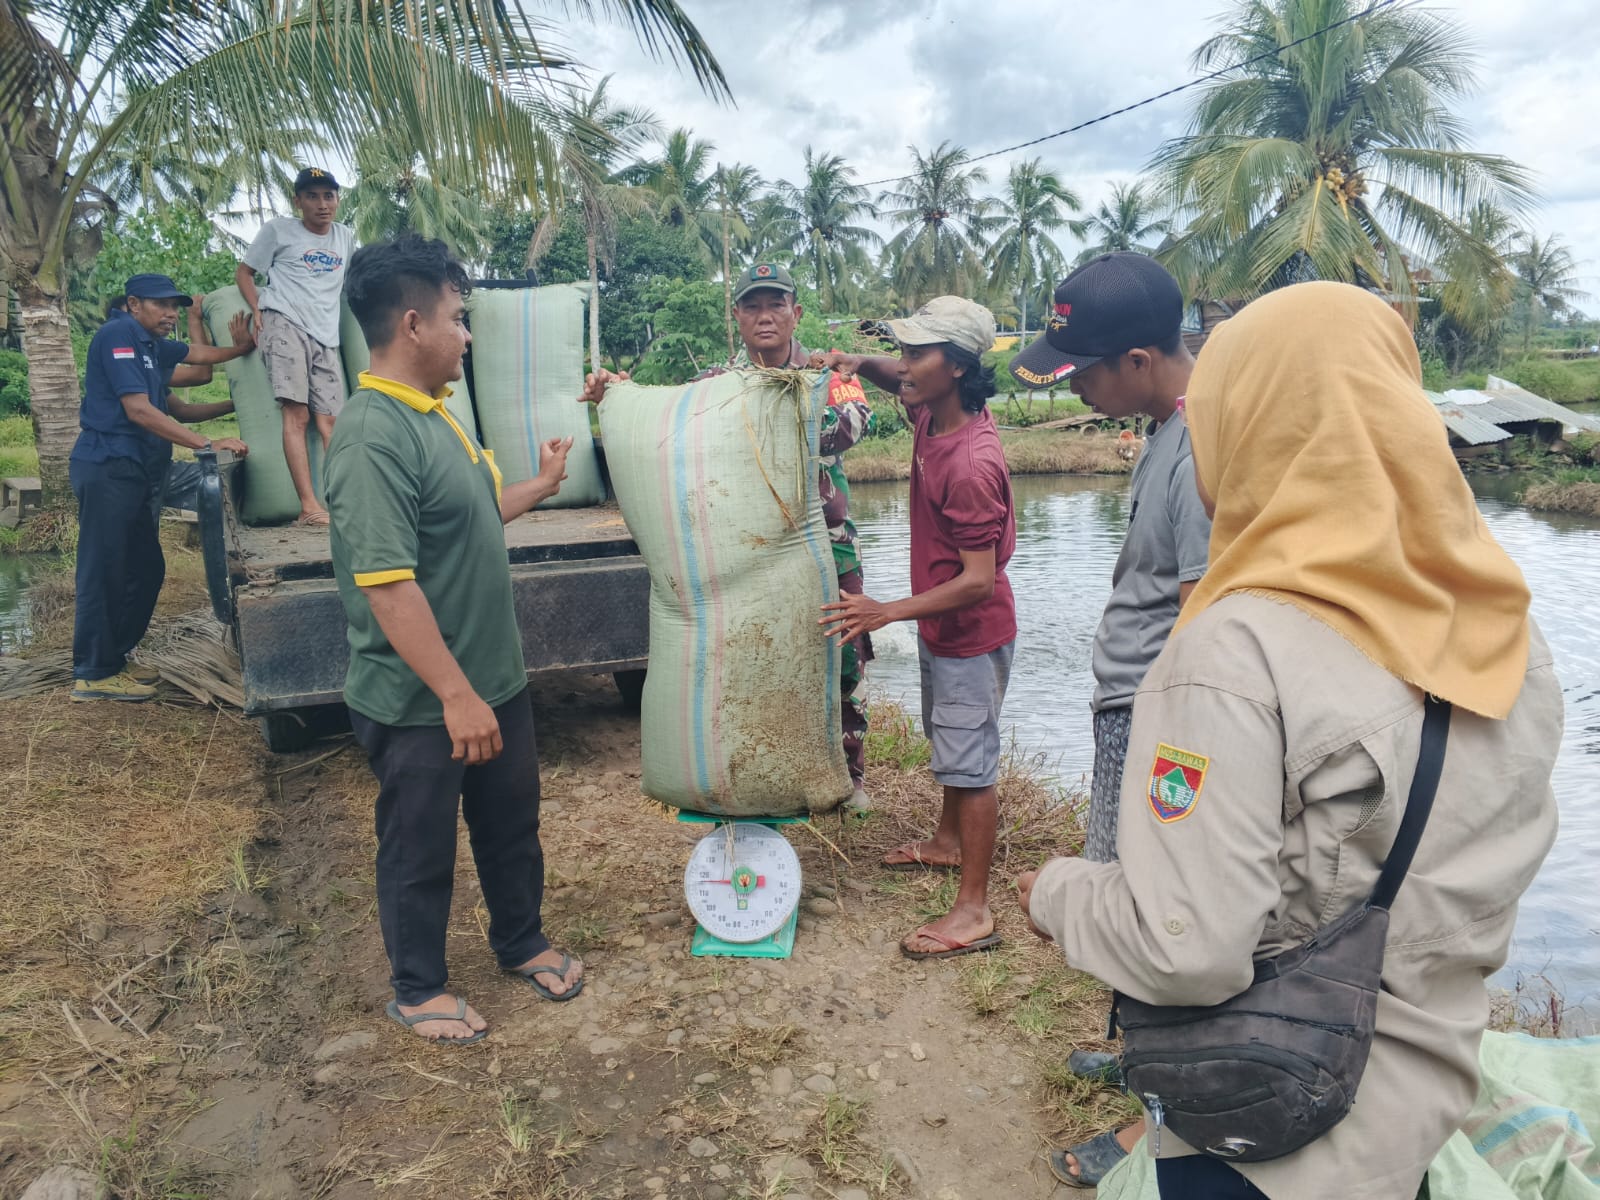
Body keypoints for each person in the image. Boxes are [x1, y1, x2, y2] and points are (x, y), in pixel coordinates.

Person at [1017, 281, 1561, 1200]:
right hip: (1422, 1107)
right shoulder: (1505, 628)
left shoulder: (1236, 648)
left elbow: (1187, 952)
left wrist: (1058, 893)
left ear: (1249, 421)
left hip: (1272, 1129)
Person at [325, 234, 585, 1045]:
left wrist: (539, 487)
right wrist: (455, 694)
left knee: (510, 824)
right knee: (419, 845)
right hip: (422, 700)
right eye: (457, 317)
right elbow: (388, 586)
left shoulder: (435, 414)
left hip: (489, 681)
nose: (467, 335)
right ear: (412, 324)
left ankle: (521, 941)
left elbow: (469, 518)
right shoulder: (372, 437)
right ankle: (418, 988)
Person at [1007, 253, 1211, 1186]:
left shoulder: (1201, 449)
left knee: (1159, 910)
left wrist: (1176, 744)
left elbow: (1204, 626)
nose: (1074, 387)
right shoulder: (1166, 427)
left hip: (1164, 721)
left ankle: (1159, 1125)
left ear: (1137, 360)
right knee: (1129, 894)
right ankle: (1139, 1061)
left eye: (1082, 371)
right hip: (1129, 709)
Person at [583, 261, 879, 811]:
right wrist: (620, 395)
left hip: (828, 545)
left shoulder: (826, 372)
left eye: (776, 305)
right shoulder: (717, 383)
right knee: (757, 652)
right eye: (752, 306)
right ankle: (766, 766)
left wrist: (782, 404)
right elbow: (674, 421)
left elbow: (854, 423)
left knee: (842, 653)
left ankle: (849, 774)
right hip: (753, 552)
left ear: (795, 312)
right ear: (737, 316)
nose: (765, 316)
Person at [818, 297, 1017, 959]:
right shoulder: (933, 409)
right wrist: (854, 360)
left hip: (971, 631)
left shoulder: (971, 465)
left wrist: (886, 611)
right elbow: (890, 376)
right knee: (950, 741)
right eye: (901, 352)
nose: (901, 366)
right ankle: (946, 841)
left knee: (972, 764)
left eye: (915, 355)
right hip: (944, 626)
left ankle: (973, 909)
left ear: (956, 366)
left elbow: (978, 580)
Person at [69, 273, 252, 701]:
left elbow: (200, 357)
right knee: (105, 569)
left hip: (137, 472)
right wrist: (207, 444)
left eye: (175, 306)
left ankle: (114, 658)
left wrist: (241, 350)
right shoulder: (118, 336)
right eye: (161, 305)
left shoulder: (151, 345)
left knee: (145, 569)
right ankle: (93, 673)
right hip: (108, 466)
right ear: (134, 304)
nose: (170, 314)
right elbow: (138, 411)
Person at [236, 166, 354, 527]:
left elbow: (353, 281)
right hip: (284, 323)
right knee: (297, 415)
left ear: (338, 200)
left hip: (326, 335)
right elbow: (244, 273)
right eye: (312, 196)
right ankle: (308, 506)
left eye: (328, 196)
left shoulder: (345, 237)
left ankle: (344, 502)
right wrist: (257, 309)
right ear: (298, 201)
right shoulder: (278, 230)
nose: (322, 204)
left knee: (332, 421)